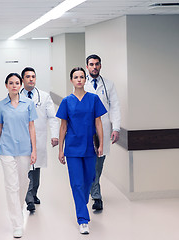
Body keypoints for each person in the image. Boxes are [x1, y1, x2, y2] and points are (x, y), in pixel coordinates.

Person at [56, 67, 107, 234]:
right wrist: (61, 150)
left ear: (85, 80)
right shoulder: (66, 101)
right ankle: (83, 219)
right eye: (76, 77)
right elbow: (63, 126)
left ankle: (83, 200)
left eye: (81, 77)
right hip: (72, 148)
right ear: (71, 80)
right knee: (76, 183)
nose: (79, 79)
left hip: (90, 147)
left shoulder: (93, 99)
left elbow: (98, 123)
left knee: (90, 179)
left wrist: (101, 144)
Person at [0, 73, 38, 238]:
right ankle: (17, 224)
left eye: (16, 83)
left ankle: (17, 209)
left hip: (25, 149)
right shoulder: (0, 106)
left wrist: (34, 150)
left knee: (23, 183)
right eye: (10, 83)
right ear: (6, 85)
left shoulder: (29, 104)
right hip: (6, 150)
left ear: (20, 85)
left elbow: (32, 127)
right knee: (11, 186)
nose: (14, 85)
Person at [84, 54, 121, 211]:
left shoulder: (109, 85)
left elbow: (115, 106)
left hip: (103, 130)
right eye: (91, 64)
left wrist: (116, 127)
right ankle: (96, 196)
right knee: (88, 164)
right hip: (85, 130)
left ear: (100, 66)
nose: (94, 67)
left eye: (97, 64)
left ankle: (95, 194)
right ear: (87, 66)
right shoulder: (80, 83)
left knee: (98, 165)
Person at [20, 67, 59, 212]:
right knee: (26, 168)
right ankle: (29, 198)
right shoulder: (16, 96)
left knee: (36, 168)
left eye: (33, 77)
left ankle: (33, 193)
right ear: (22, 79)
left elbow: (53, 117)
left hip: (39, 137)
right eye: (28, 77)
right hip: (22, 138)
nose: (31, 79)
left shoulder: (44, 96)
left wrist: (55, 135)